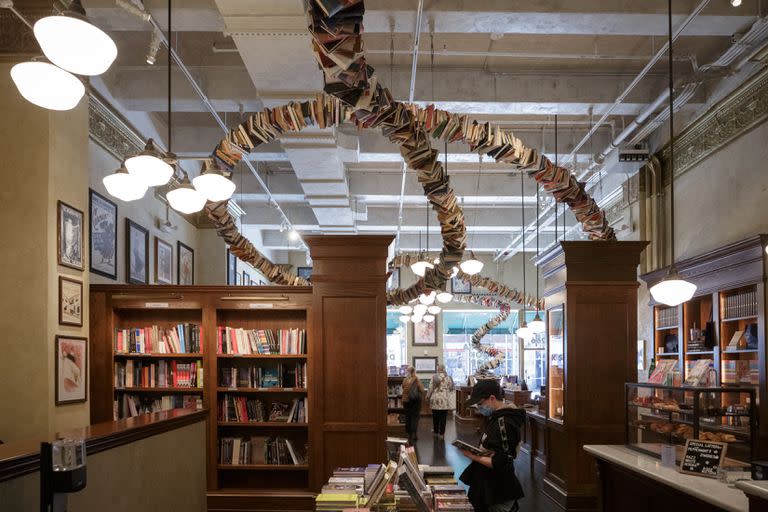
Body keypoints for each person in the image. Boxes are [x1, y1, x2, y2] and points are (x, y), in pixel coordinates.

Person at [458, 379, 525, 512]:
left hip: (498, 491)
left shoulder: (504, 422)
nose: (478, 407)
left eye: (480, 403)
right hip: (488, 484)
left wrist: (472, 455)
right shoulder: (495, 418)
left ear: (492, 398)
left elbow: (500, 461)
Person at [426, 364, 455, 438]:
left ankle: (436, 432)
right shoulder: (448, 377)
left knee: (435, 417)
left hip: (435, 399)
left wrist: (427, 396)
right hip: (444, 399)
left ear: (438, 369)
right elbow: (452, 388)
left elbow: (430, 388)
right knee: (443, 418)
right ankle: (442, 434)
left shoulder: (434, 377)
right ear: (444, 369)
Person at [401, 366, 424, 443]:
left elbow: (403, 387)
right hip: (415, 401)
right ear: (414, 371)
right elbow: (422, 389)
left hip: (405, 400)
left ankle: (408, 433)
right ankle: (414, 433)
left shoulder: (405, 379)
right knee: (415, 417)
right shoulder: (417, 379)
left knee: (408, 417)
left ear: (408, 371)